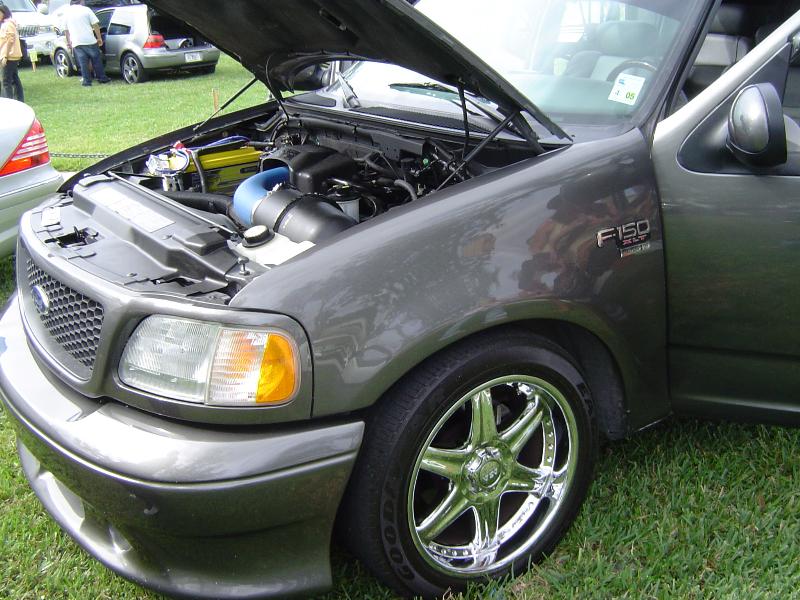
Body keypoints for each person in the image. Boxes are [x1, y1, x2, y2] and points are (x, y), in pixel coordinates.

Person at [63, 0, 110, 87]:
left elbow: (66, 30)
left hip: (77, 42)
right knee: (96, 60)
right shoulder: (86, 9)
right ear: (81, 1)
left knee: (83, 63)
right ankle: (102, 78)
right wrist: (99, 38)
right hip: (89, 40)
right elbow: (95, 25)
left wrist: (69, 42)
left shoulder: (66, 13)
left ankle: (87, 81)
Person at [0, 3, 24, 102]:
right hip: (11, 55)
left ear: (4, 13)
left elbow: (10, 40)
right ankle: (19, 100)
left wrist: (5, 56)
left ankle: (9, 102)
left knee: (6, 81)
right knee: (14, 79)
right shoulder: (8, 23)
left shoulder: (8, 24)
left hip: (9, 56)